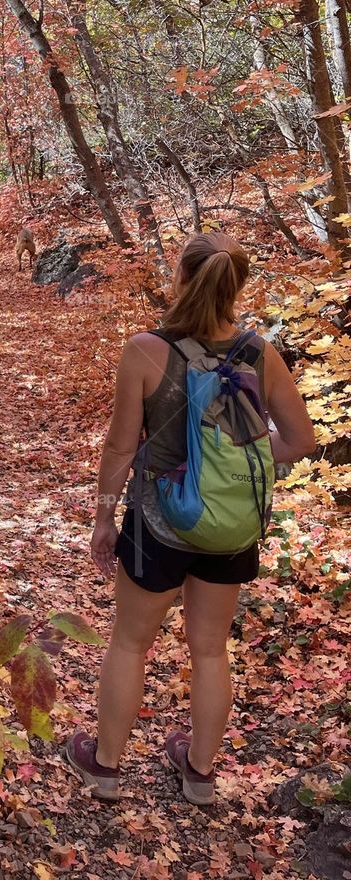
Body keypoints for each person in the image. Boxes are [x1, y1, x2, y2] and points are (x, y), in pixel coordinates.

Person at [66, 232, 316, 804]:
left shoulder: (146, 351)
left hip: (159, 523)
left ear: (180, 278)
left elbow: (119, 448)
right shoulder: (262, 354)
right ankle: (199, 774)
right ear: (237, 286)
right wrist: (241, 459)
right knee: (209, 649)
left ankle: (105, 767)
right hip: (231, 526)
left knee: (130, 642)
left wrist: (104, 518)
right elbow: (299, 440)